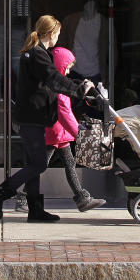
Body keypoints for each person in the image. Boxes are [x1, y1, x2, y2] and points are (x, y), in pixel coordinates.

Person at [0, 15, 93, 222]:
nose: (58, 39)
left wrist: (76, 84)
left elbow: (52, 79)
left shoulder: (34, 53)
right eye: (58, 35)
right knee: (39, 164)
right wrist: (79, 90)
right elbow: (53, 79)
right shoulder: (38, 54)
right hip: (31, 119)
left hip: (29, 118)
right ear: (51, 34)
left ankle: (35, 211)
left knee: (33, 165)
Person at [45, 46, 106, 212]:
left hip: (59, 133)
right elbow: (64, 113)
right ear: (60, 66)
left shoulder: (57, 83)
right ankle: (22, 195)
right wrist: (80, 133)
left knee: (69, 163)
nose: (69, 71)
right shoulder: (58, 88)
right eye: (68, 67)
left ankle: (82, 198)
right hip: (54, 132)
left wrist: (84, 87)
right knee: (40, 165)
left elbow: (73, 88)